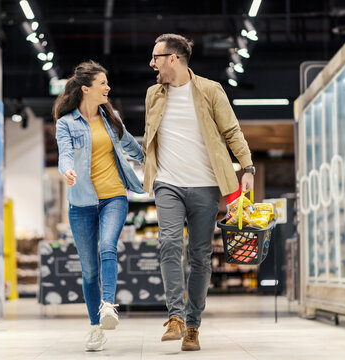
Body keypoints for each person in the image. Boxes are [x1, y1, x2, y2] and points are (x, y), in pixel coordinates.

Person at [142, 34, 255, 351]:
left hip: (206, 185)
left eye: (156, 57)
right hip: (167, 182)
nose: (152, 63)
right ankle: (175, 317)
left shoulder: (209, 90)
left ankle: (193, 327)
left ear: (173, 58)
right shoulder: (154, 94)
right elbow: (150, 137)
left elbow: (232, 130)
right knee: (169, 242)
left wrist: (247, 168)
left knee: (200, 257)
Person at [54, 60, 145, 352]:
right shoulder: (65, 123)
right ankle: (95, 328)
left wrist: (154, 161)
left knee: (108, 246)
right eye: (103, 83)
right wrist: (66, 171)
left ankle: (108, 306)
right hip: (81, 202)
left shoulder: (111, 117)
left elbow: (130, 145)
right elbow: (65, 154)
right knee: (89, 270)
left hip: (114, 196)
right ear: (85, 89)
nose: (108, 87)